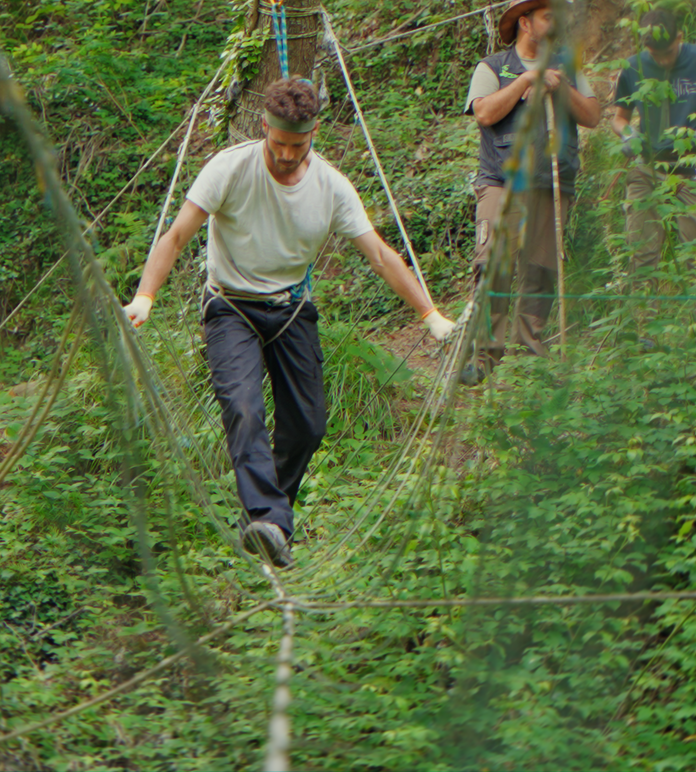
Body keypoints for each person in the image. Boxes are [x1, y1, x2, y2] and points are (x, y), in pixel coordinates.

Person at [123, 77, 454, 570]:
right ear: (264, 128)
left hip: (291, 308)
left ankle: (268, 521)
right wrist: (144, 297)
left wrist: (432, 318)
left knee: (308, 424)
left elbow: (382, 257)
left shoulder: (331, 187)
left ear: (313, 135)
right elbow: (175, 237)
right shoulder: (229, 169)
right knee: (243, 406)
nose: (285, 155)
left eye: (297, 146)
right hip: (230, 307)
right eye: (278, 144)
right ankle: (268, 515)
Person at [460, 0, 602, 385]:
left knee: (540, 268)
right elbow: (484, 112)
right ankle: (485, 357)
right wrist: (528, 80)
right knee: (493, 263)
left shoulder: (568, 66)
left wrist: (562, 88)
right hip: (500, 183)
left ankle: (532, 355)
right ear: (526, 23)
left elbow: (593, 115)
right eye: (548, 17)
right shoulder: (492, 66)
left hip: (552, 182)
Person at [610, 4, 696, 274]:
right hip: (648, 168)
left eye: (669, 53)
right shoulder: (633, 67)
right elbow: (619, 118)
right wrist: (628, 134)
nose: (662, 61)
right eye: (655, 55)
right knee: (641, 257)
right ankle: (643, 315)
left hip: (693, 169)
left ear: (680, 37)